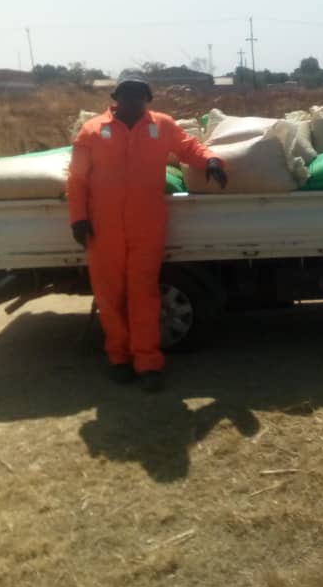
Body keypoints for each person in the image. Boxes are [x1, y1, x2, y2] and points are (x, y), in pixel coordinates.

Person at [67, 69, 227, 391]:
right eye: (127, 94)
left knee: (144, 295)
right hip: (103, 229)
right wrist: (78, 218)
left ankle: (148, 363)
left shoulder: (162, 126)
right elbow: (77, 178)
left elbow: (188, 147)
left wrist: (211, 161)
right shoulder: (92, 130)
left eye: (139, 94)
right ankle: (118, 358)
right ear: (116, 98)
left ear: (147, 99)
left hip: (147, 226)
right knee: (110, 296)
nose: (133, 99)